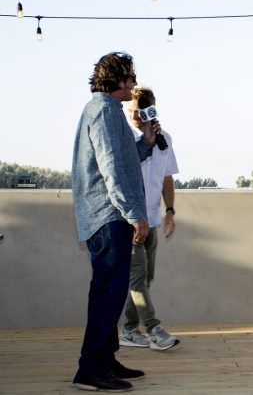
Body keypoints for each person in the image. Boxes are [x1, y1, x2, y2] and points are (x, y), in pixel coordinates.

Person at [71, 52, 152, 392]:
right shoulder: (103, 111)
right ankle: (91, 369)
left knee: (112, 292)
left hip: (108, 215)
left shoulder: (107, 110)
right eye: (130, 77)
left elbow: (126, 159)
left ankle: (105, 360)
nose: (134, 83)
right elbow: (111, 169)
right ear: (117, 78)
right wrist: (134, 214)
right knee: (108, 293)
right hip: (109, 216)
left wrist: (146, 142)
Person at [119, 87, 180, 351]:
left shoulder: (164, 139)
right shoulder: (123, 137)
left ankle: (130, 330)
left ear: (150, 108)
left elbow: (167, 177)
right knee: (138, 277)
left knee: (146, 278)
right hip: (130, 220)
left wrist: (170, 211)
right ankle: (154, 329)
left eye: (138, 110)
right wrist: (144, 139)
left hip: (153, 218)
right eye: (130, 109)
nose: (134, 115)